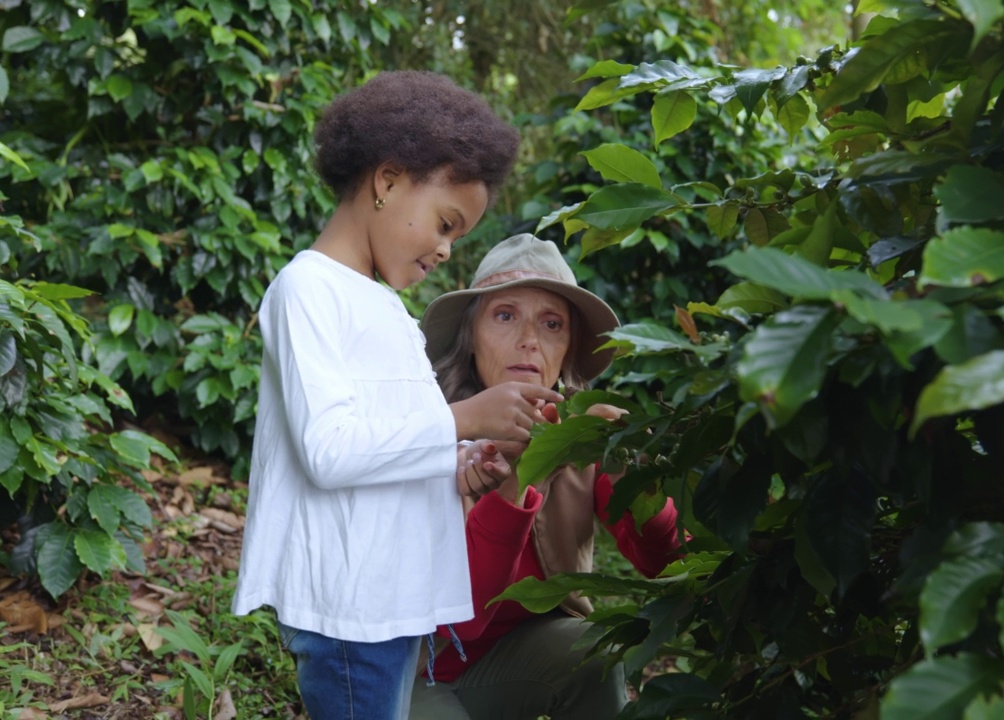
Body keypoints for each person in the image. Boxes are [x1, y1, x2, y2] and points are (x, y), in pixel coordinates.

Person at [231, 72, 563, 720]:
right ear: (386, 182)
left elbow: (394, 434)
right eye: (445, 223)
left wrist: (461, 458)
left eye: (457, 236)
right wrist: (463, 416)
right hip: (349, 609)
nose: (444, 249)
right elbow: (329, 449)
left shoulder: (383, 305)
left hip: (390, 596)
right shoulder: (309, 290)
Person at [409, 234, 685, 719]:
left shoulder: (585, 440)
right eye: (505, 315)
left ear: (567, 350)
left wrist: (638, 484)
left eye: (551, 324)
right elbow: (463, 620)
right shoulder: (432, 430)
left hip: (521, 664)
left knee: (591, 649)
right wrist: (520, 481)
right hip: (420, 670)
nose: (529, 340)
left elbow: (666, 566)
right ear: (471, 335)